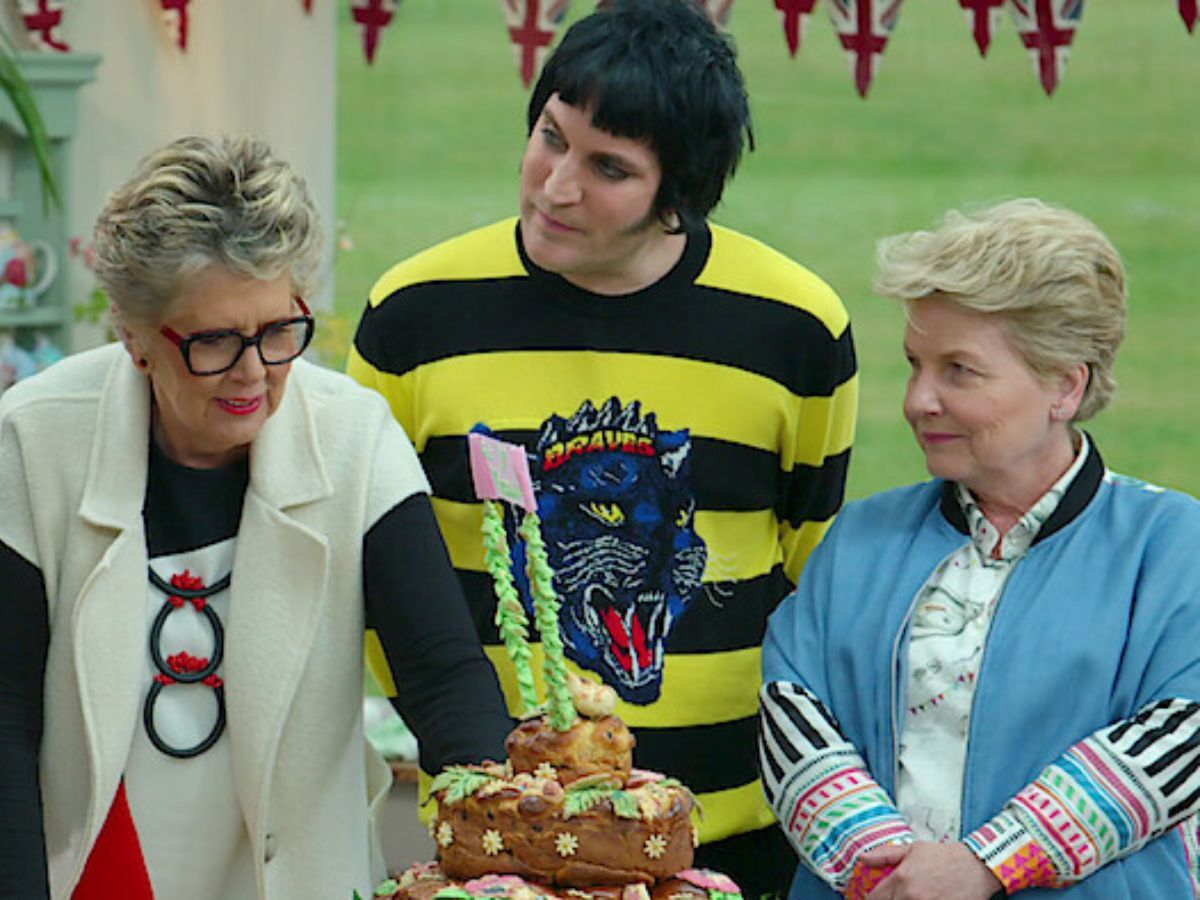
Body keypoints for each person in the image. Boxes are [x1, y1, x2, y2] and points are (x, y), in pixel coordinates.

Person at [346, 1, 857, 894]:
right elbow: (372, 578)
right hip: (491, 843)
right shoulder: (413, 317)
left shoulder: (796, 328)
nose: (555, 185)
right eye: (551, 137)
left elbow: (813, 577)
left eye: (609, 167)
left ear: (681, 192)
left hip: (727, 838)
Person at [0, 135, 511, 899]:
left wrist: (510, 857)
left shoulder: (353, 439)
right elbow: (5, 719)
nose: (254, 372)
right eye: (213, 342)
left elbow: (442, 680)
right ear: (134, 338)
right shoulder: (33, 438)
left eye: (278, 332)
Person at [759, 198, 1200, 899]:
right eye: (915, 364)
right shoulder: (862, 539)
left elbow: (1182, 738)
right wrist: (897, 875)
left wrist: (989, 865)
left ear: (1064, 384)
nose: (917, 400)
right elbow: (792, 716)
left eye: (959, 370)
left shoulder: (1173, 545)